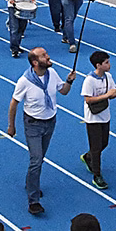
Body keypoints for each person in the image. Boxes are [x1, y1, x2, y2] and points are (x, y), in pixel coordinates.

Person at [7, 47, 76, 216]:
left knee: (40, 158)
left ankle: (30, 183)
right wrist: (11, 126)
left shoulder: (52, 73)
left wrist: (69, 81)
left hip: (50, 121)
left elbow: (63, 91)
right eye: (44, 56)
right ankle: (33, 201)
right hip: (33, 124)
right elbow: (14, 104)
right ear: (35, 62)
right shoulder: (25, 81)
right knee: (36, 160)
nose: (48, 56)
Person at [80, 50, 116, 191]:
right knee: (96, 148)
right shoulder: (89, 80)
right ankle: (97, 175)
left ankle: (88, 157)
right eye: (106, 62)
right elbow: (88, 99)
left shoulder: (108, 77)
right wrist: (106, 95)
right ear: (98, 65)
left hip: (105, 115)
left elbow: (111, 93)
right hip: (93, 118)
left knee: (104, 143)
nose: (109, 65)